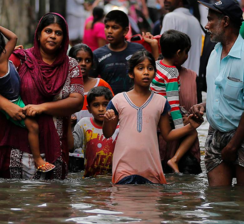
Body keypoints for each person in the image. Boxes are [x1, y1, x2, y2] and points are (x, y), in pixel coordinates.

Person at [0, 13, 84, 179]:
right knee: (9, 200)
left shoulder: (71, 65)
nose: (53, 36)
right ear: (38, 34)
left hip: (54, 145)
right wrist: (7, 106)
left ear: (64, 38)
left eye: (58, 33)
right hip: (14, 145)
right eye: (48, 31)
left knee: (52, 200)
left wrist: (42, 107)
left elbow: (77, 101)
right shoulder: (19, 59)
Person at [193, 0, 244, 186]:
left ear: (225, 21)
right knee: (218, 201)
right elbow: (221, 93)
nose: (207, 25)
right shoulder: (214, 53)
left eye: (210, 20)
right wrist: (204, 105)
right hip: (216, 132)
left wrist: (233, 145)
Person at [103, 50, 202, 184]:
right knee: (124, 202)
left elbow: (167, 135)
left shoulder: (161, 102)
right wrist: (107, 121)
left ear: (155, 74)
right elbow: (108, 133)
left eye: (150, 68)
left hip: (151, 168)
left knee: (149, 203)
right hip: (124, 168)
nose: (146, 72)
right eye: (140, 68)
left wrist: (191, 127)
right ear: (131, 74)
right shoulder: (118, 100)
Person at [0, 24, 56, 173]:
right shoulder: (2, 61)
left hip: (4, 101)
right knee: (33, 127)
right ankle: (38, 159)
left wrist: (11, 51)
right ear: (2, 47)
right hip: (15, 102)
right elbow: (13, 37)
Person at [149, 30, 200, 173]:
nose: (186, 56)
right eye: (186, 52)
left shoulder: (156, 64)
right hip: (166, 115)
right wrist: (179, 128)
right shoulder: (172, 73)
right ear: (178, 53)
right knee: (192, 133)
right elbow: (173, 103)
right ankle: (175, 160)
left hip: (153, 114)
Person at [92, 10, 145, 94]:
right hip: (109, 104)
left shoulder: (138, 50)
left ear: (125, 31)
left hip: (135, 103)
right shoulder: (97, 54)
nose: (109, 31)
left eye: (115, 27)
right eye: (107, 27)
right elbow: (91, 83)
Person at [73, 86, 118, 177]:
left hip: (114, 178)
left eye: (105, 104)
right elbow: (72, 146)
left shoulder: (120, 126)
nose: (101, 109)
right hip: (90, 178)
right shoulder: (84, 124)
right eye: (96, 105)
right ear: (89, 108)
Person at [68, 43, 114, 123]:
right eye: (78, 60)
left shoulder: (101, 84)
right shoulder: (63, 86)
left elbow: (113, 110)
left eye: (87, 60)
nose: (83, 64)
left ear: (92, 63)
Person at [160, 0, 202, 76]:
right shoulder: (195, 21)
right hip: (193, 79)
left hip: (172, 79)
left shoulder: (170, 17)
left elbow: (163, 51)